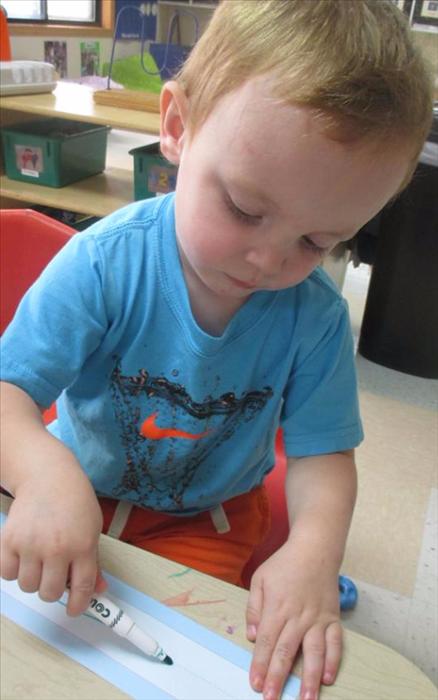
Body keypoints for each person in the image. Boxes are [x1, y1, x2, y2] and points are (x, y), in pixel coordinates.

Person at [0, 2, 432, 699]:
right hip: (71, 487)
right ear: (177, 127)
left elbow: (325, 457)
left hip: (205, 518)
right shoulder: (104, 265)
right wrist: (45, 477)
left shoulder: (315, 319)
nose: (268, 260)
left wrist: (313, 556)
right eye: (242, 208)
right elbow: (6, 396)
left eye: (317, 242)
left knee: (181, 660)